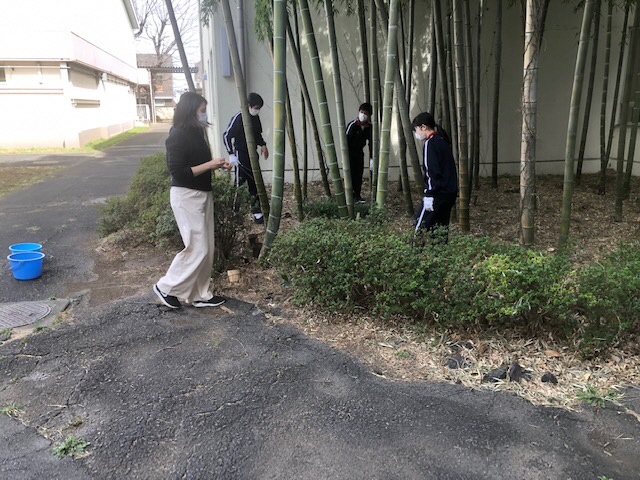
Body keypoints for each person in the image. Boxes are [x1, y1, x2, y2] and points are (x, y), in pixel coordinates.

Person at [153, 92, 232, 309]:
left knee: (207, 247)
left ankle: (200, 294)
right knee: (198, 247)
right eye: (202, 110)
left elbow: (198, 163)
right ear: (191, 111)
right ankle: (166, 286)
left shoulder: (197, 132)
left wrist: (217, 165)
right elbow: (178, 172)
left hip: (203, 193)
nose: (205, 114)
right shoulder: (177, 135)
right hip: (186, 196)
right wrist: (210, 165)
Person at [223, 92, 269, 224]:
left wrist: (263, 145)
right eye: (256, 107)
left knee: (254, 183)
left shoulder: (255, 118)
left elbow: (257, 135)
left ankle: (257, 212)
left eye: (259, 108)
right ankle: (234, 213)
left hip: (252, 155)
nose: (257, 110)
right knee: (239, 184)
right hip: (241, 155)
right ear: (249, 106)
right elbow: (226, 136)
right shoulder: (239, 117)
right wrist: (231, 154)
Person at [412, 112, 458, 241]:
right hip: (449, 193)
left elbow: (432, 171)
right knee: (439, 229)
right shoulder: (442, 140)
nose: (416, 133)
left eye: (416, 129)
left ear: (423, 127)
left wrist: (429, 194)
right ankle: (438, 252)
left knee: (419, 227)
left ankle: (415, 251)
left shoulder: (430, 143)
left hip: (436, 194)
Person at [345, 102, 372, 203]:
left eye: (365, 113)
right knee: (351, 174)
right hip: (349, 153)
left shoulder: (369, 127)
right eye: (362, 112)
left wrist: (372, 158)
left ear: (369, 115)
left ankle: (357, 195)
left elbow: (371, 143)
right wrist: (345, 157)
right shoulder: (352, 125)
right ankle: (350, 196)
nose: (363, 115)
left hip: (359, 153)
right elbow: (345, 141)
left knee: (359, 174)